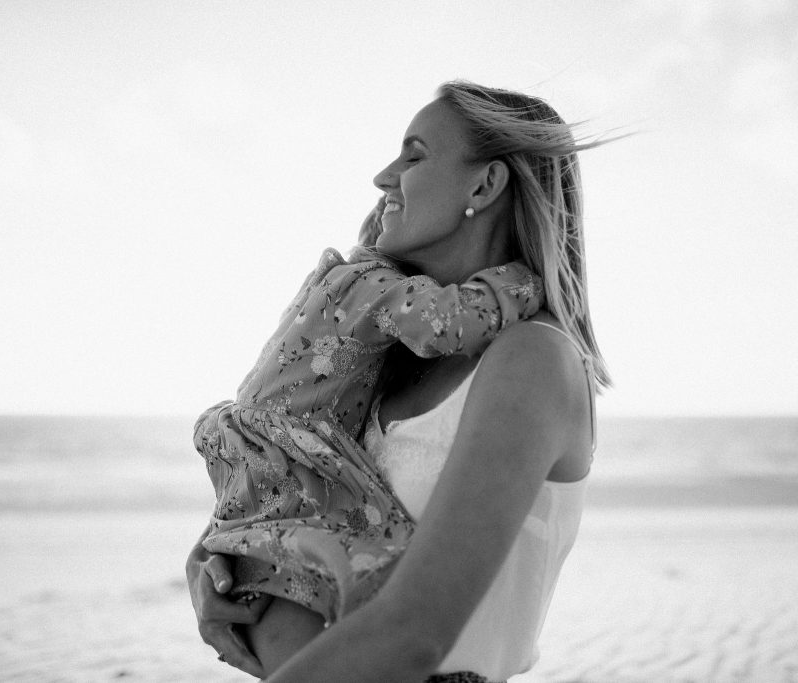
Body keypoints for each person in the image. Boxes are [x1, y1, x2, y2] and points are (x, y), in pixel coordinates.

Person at [186, 79, 609, 682]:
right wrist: (219, 561)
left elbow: (414, 635)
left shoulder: (532, 358)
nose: (384, 177)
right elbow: (299, 487)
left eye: (414, 155)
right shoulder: (386, 365)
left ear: (485, 185)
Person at [192, 182, 544, 667]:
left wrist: (210, 551)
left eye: (416, 158)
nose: (386, 178)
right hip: (290, 469)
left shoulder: (338, 286)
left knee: (291, 632)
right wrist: (525, 281)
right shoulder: (366, 284)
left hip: (264, 474)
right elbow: (452, 321)